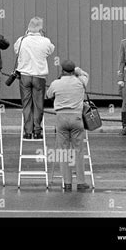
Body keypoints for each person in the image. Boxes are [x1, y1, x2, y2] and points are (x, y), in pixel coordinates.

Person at [46, 60, 90, 192]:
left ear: (62, 70)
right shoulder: (80, 81)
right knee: (78, 151)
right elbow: (85, 75)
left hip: (61, 118)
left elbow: (48, 95)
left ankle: (67, 182)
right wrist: (78, 70)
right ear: (73, 71)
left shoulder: (56, 83)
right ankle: (81, 182)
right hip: (76, 117)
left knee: (63, 152)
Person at [14, 17, 55, 140]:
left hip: (25, 75)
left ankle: (27, 131)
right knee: (38, 104)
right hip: (39, 75)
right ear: (40, 29)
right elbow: (50, 51)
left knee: (26, 104)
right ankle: (37, 130)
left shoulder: (21, 40)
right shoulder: (45, 41)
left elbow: (16, 51)